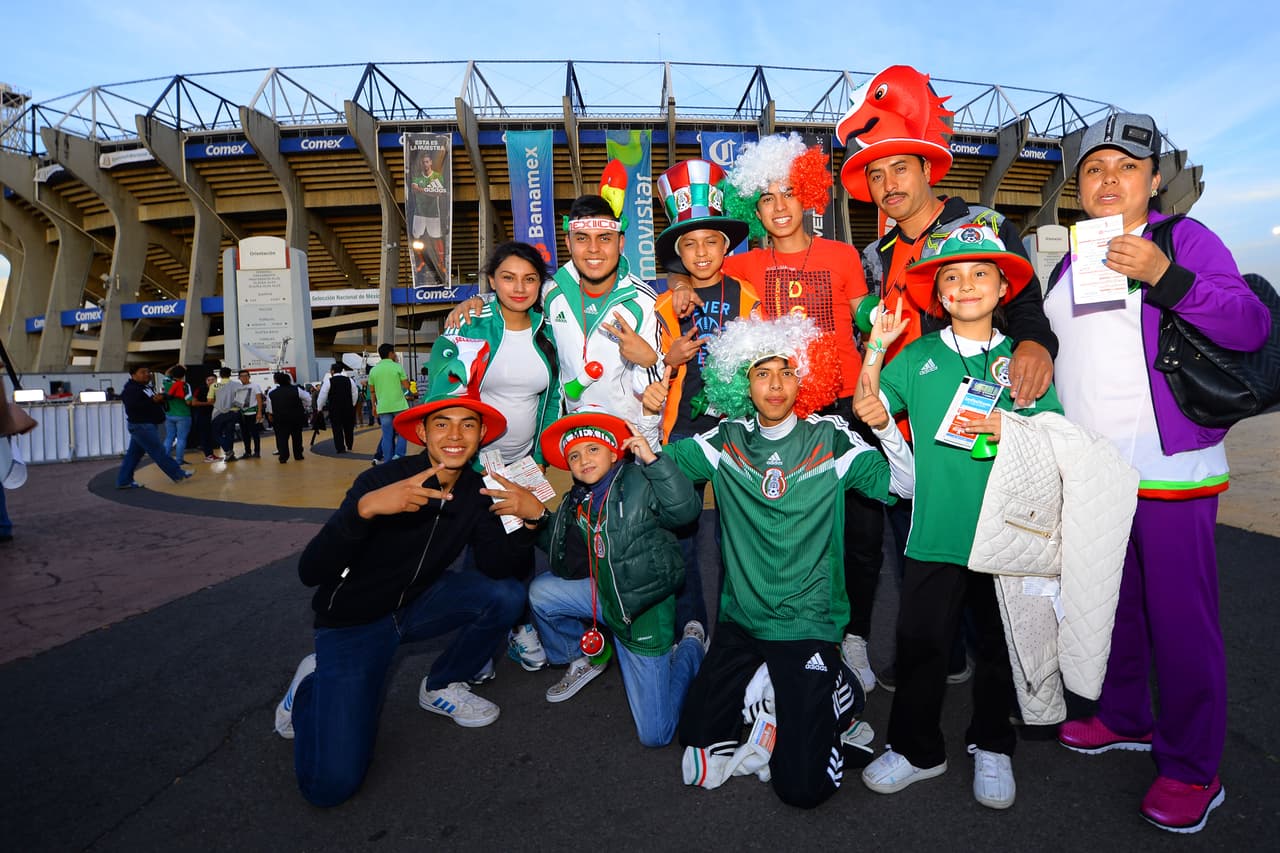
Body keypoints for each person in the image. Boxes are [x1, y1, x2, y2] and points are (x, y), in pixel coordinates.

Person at [1042, 113, 1269, 834]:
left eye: (1127, 168)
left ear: (1155, 180)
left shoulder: (1182, 239)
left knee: (1181, 619)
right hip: (1094, 471)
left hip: (1172, 467)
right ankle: (1125, 713)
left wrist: (1167, 278)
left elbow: (1249, 323)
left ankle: (1194, 766)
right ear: (1078, 187)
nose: (1110, 180)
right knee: (1113, 605)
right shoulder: (1067, 258)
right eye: (1095, 170)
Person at [643, 314, 914, 809]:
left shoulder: (829, 437)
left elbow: (905, 487)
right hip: (742, 620)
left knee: (803, 789)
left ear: (802, 377)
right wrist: (648, 415)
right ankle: (776, 689)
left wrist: (887, 432)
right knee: (695, 733)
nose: (774, 384)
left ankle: (839, 687)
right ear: (742, 381)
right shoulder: (724, 440)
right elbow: (659, 464)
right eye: (761, 372)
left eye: (786, 371)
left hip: (807, 621)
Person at [851, 223, 1063, 811]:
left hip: (1006, 533)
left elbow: (1053, 436)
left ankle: (993, 744)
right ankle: (918, 748)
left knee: (998, 645)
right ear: (938, 293)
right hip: (935, 531)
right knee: (921, 642)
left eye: (979, 274)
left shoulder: (1024, 361)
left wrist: (1010, 427)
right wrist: (875, 348)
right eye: (952, 276)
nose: (965, 285)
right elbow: (870, 403)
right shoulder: (917, 356)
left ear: (1002, 289)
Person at [666, 134, 884, 694]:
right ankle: (759, 633)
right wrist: (679, 282)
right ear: (752, 208)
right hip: (772, 410)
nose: (780, 206)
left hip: (839, 404)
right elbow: (698, 270)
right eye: (765, 197)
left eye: (789, 192)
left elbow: (864, 313)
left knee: (856, 531)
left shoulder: (839, 254)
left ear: (808, 193)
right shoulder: (744, 261)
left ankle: (852, 634)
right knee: (767, 528)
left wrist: (878, 317)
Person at [273, 380, 536, 808]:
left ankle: (442, 684)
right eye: (442, 424)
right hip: (353, 624)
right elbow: (311, 572)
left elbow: (497, 569)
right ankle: (309, 688)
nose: (454, 436)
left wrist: (528, 523)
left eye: (468, 425)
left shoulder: (477, 490)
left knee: (506, 596)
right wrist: (363, 512)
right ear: (423, 433)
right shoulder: (380, 480)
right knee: (330, 787)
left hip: (418, 603)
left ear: (481, 435)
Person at [514, 408, 704, 746]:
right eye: (574, 455)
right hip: (608, 597)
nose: (583, 459)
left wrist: (654, 460)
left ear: (614, 451)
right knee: (542, 592)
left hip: (644, 613)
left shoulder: (639, 479)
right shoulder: (578, 499)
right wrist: (537, 519)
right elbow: (564, 564)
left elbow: (685, 511)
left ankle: (690, 645)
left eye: (592, 449)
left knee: (655, 735)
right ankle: (582, 657)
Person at [429, 240, 561, 672]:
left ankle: (508, 627)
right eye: (508, 277)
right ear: (491, 282)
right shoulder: (471, 324)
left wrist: (540, 456)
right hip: (475, 462)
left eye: (529, 278)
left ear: (541, 284)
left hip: (525, 461)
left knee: (519, 542)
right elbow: (444, 393)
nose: (519, 287)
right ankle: (485, 636)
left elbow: (554, 395)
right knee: (484, 546)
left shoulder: (548, 329)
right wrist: (459, 460)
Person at [447, 190, 663, 422]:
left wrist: (649, 360)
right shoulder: (551, 291)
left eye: (604, 238)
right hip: (571, 435)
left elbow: (658, 385)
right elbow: (517, 296)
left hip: (625, 437)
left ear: (620, 242)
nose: (593, 249)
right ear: (568, 243)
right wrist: (479, 300)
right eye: (581, 238)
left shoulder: (643, 301)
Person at [651, 158, 756, 635]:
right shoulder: (660, 302)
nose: (701, 252)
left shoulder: (748, 296)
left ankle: (738, 625)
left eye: (711, 241)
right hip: (680, 432)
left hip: (736, 431)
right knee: (683, 533)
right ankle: (692, 622)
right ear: (678, 250)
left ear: (726, 244)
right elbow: (644, 367)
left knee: (739, 533)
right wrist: (666, 362)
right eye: (689, 243)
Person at [116, 365, 192, 488]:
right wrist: (153, 401)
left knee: (133, 455)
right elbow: (132, 405)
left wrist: (161, 399)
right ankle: (178, 474)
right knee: (158, 451)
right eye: (142, 372)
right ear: (133, 375)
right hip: (142, 425)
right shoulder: (131, 389)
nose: (147, 374)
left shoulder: (146, 387)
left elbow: (153, 400)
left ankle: (124, 480)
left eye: (148, 371)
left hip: (145, 425)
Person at [368, 343, 410, 463]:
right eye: (394, 352)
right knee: (403, 431)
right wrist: (409, 392)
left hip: (383, 407)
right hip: (399, 405)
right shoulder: (397, 367)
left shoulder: (373, 371)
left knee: (387, 435)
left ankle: (387, 460)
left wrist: (373, 406)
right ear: (390, 353)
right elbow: (406, 385)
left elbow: (372, 391)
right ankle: (399, 455)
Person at [317, 363, 358, 453]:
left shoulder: (329, 381)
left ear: (332, 371)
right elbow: (355, 393)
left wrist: (319, 407)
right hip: (348, 407)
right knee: (348, 427)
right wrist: (353, 404)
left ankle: (340, 448)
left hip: (335, 408)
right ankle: (349, 445)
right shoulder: (349, 380)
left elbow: (322, 396)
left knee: (337, 428)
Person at [268, 372, 307, 463]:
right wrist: (303, 406)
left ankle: (283, 457)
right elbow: (307, 399)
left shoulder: (272, 393)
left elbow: (270, 407)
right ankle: (298, 455)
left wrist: (270, 414)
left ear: (276, 381)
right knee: (297, 437)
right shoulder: (296, 390)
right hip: (296, 417)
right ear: (289, 380)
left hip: (280, 418)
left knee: (282, 438)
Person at [210, 367, 246, 462]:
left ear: (220, 375)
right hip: (233, 412)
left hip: (218, 413)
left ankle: (227, 450)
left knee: (215, 433)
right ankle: (230, 455)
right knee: (229, 433)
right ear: (230, 374)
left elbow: (210, 400)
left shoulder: (215, 385)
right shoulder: (237, 385)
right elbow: (242, 400)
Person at [161, 365, 193, 465]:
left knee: (169, 437)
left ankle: (164, 459)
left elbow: (167, 372)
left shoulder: (167, 382)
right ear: (184, 375)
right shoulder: (185, 385)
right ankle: (179, 460)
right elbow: (188, 402)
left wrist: (177, 366)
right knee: (181, 439)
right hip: (183, 415)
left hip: (169, 414)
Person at [237, 369, 265, 459]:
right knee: (245, 434)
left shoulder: (255, 386)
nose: (244, 378)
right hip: (243, 414)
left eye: (246, 375)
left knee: (255, 433)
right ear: (239, 378)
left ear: (249, 376)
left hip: (253, 413)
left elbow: (259, 399)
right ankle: (247, 452)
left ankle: (257, 452)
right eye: (242, 376)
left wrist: (259, 412)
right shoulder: (239, 388)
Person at [190, 373, 218, 462]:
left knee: (211, 435)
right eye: (209, 380)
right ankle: (208, 455)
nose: (211, 381)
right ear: (206, 381)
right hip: (202, 415)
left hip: (214, 415)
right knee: (205, 436)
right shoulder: (200, 389)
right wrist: (208, 403)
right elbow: (193, 403)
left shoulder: (218, 389)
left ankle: (211, 454)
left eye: (213, 379)